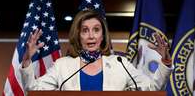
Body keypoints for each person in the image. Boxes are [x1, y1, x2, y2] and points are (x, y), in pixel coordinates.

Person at [20, 9, 172, 91]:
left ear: (103, 35)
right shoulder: (62, 66)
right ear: (78, 35)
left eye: (96, 30)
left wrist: (165, 62)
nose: (91, 36)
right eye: (85, 30)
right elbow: (34, 90)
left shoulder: (120, 64)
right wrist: (27, 60)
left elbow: (152, 88)